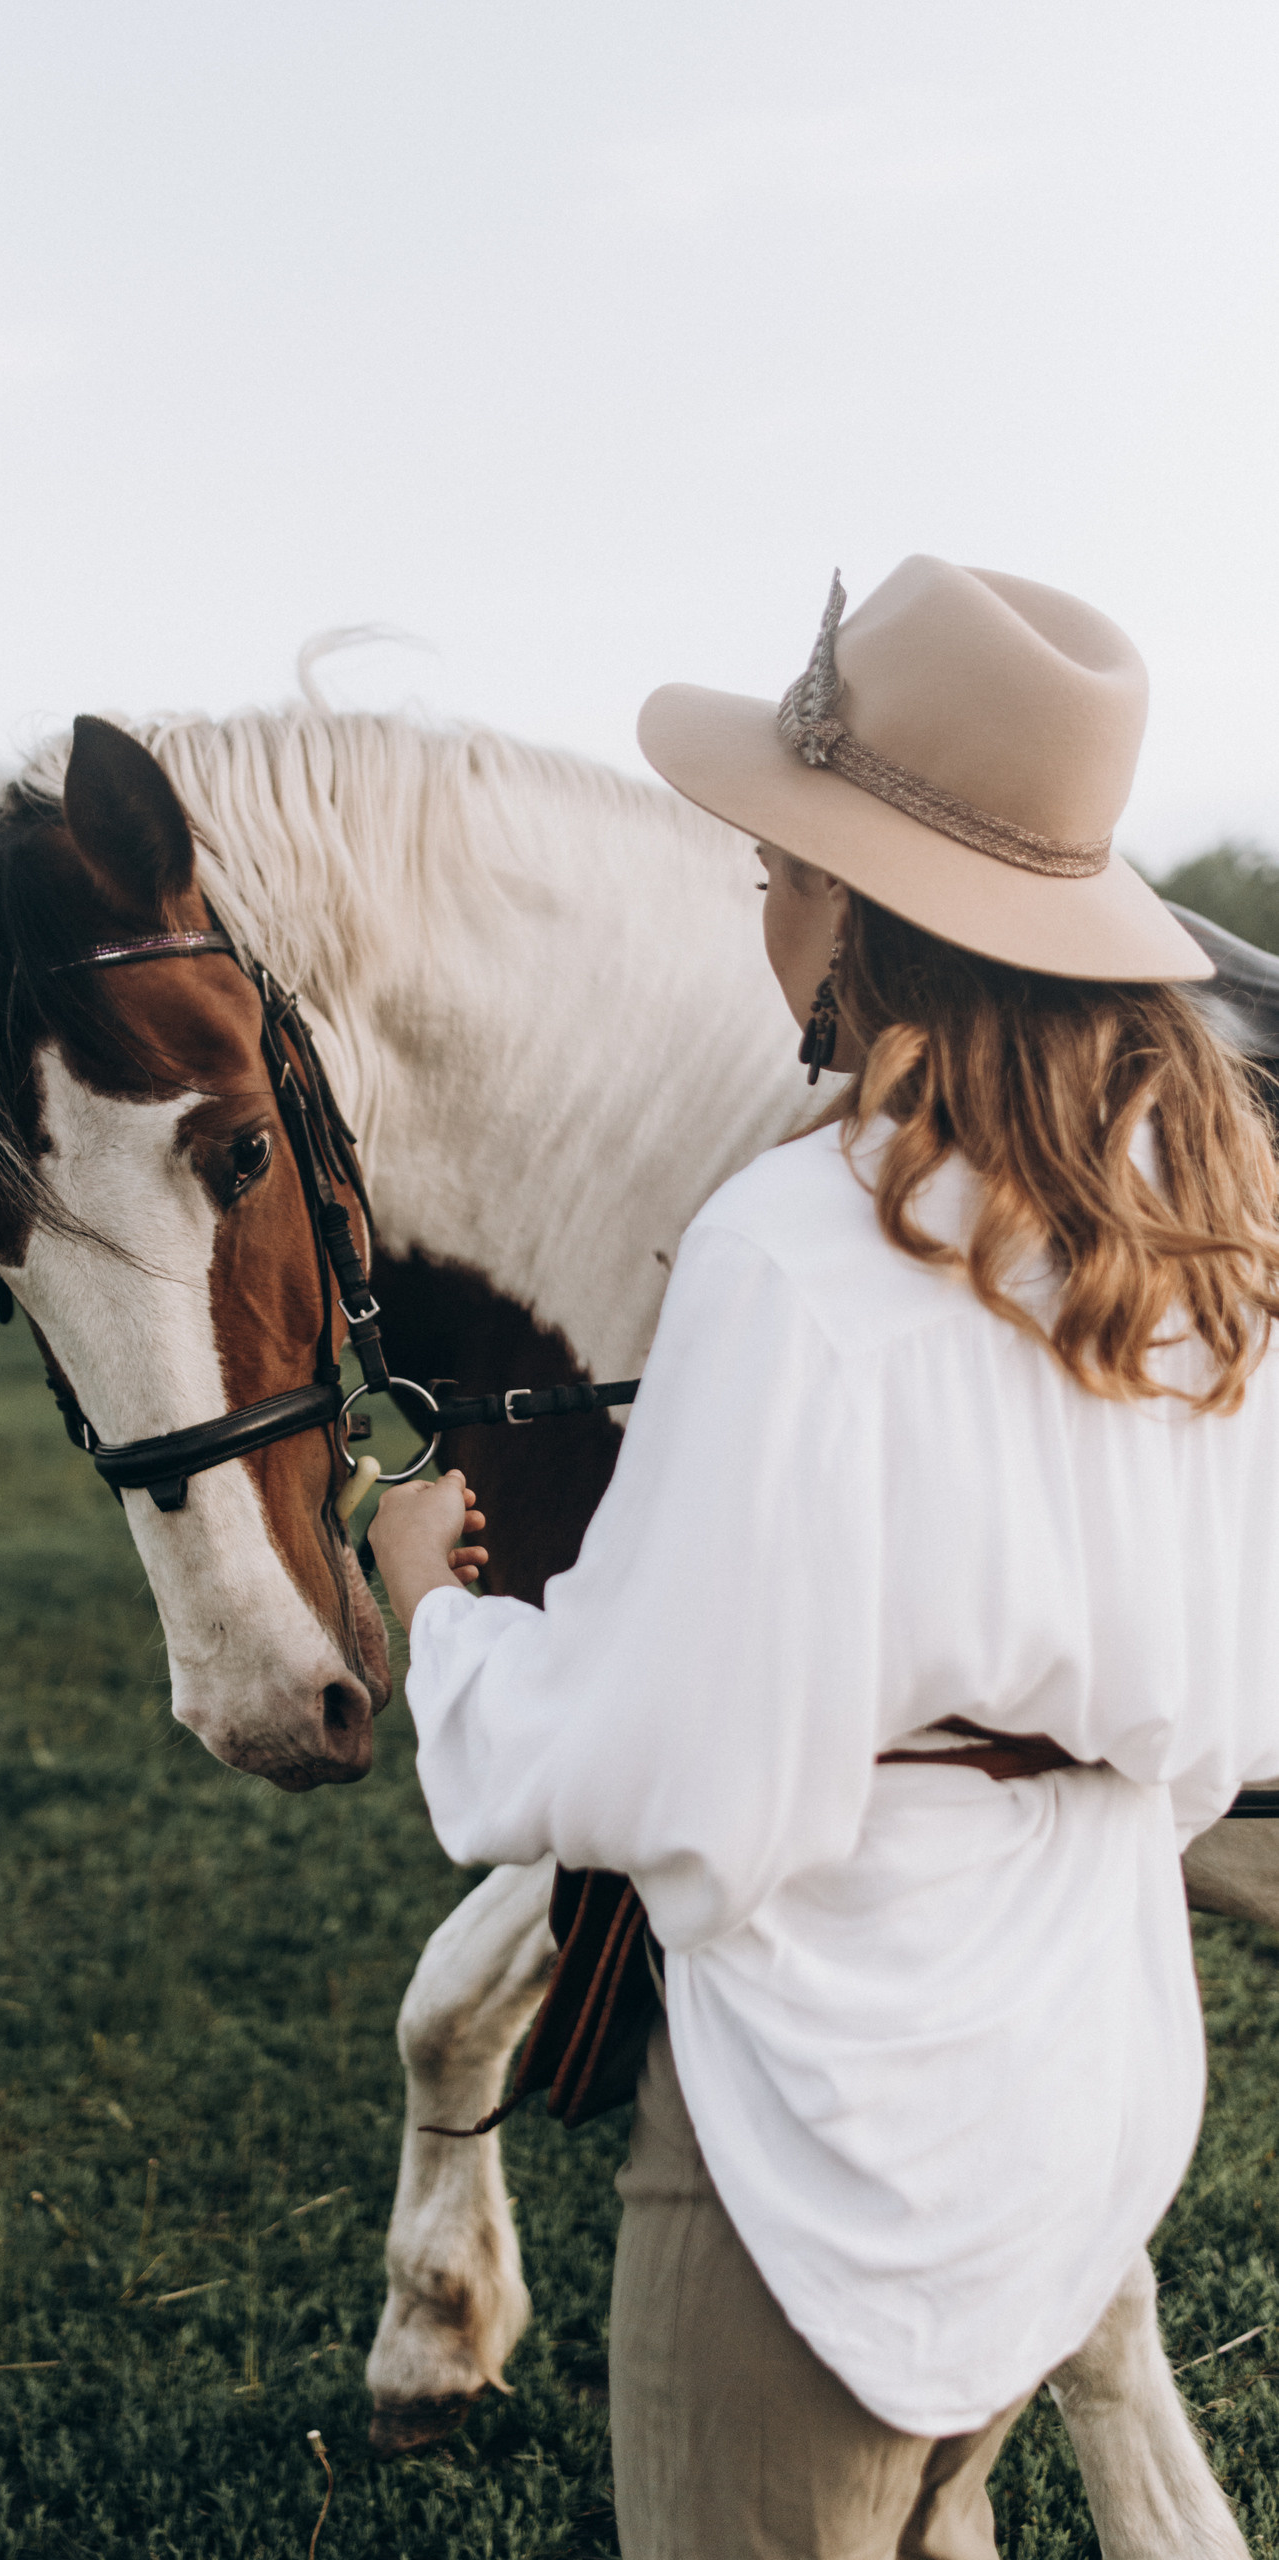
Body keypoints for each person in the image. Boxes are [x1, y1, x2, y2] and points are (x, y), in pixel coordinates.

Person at [367, 556, 1279, 2560]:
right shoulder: (1199, 1232)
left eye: (780, 857)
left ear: (864, 907)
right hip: (1089, 2065)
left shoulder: (796, 1251)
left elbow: (663, 1779)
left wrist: (438, 1610)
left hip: (832, 2135)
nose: (756, 896)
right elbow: (1216, 1727)